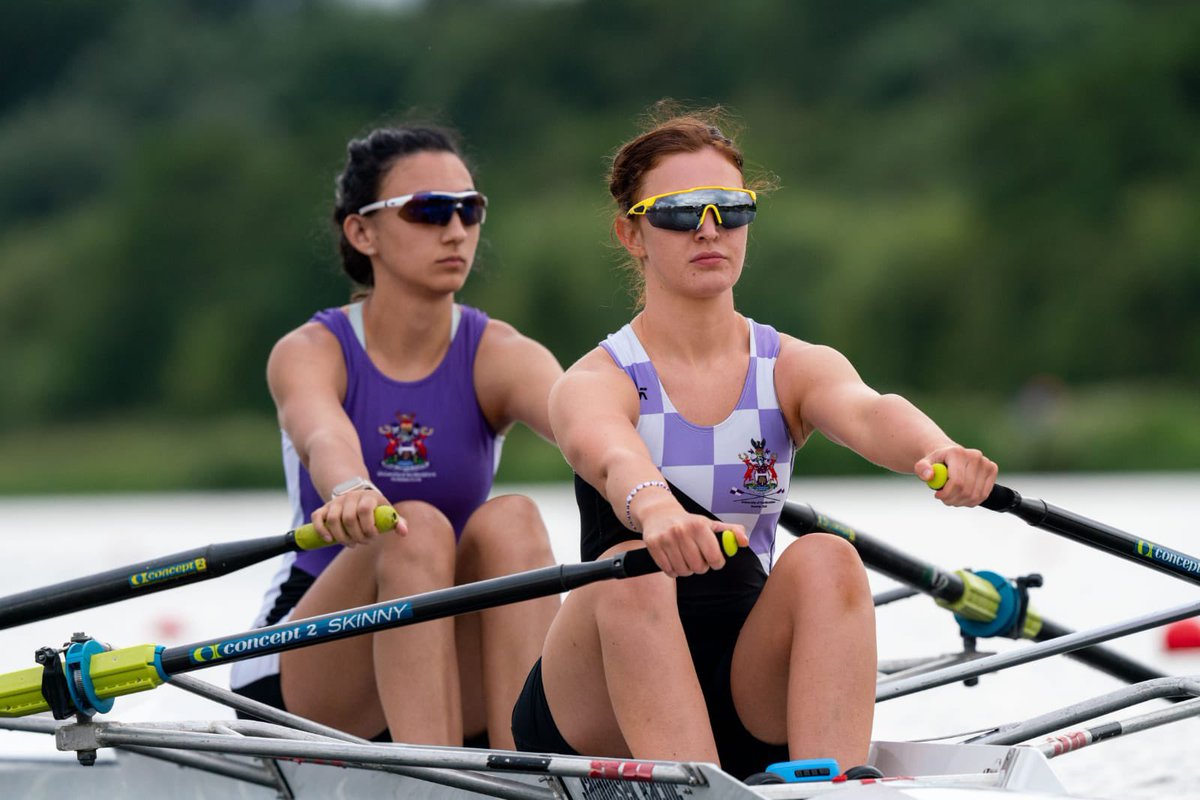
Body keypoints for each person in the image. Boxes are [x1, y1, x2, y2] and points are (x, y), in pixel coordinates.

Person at [510, 107, 998, 779]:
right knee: (634, 570)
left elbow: (869, 411)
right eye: (679, 212)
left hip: (744, 683)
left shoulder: (791, 367)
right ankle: (698, 788)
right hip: (600, 700)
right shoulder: (596, 380)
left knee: (829, 556)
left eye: (730, 209)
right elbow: (613, 456)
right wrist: (657, 510)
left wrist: (939, 450)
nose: (709, 229)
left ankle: (831, 784)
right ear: (632, 233)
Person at [230, 124, 562, 750]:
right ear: (363, 232)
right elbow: (323, 435)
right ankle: (434, 777)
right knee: (413, 528)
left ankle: (526, 768)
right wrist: (350, 488)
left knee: (514, 520)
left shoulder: (501, 354)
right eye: (428, 210)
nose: (455, 230)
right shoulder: (311, 351)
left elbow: (595, 432)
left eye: (469, 210)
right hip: (309, 665)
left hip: (440, 645)